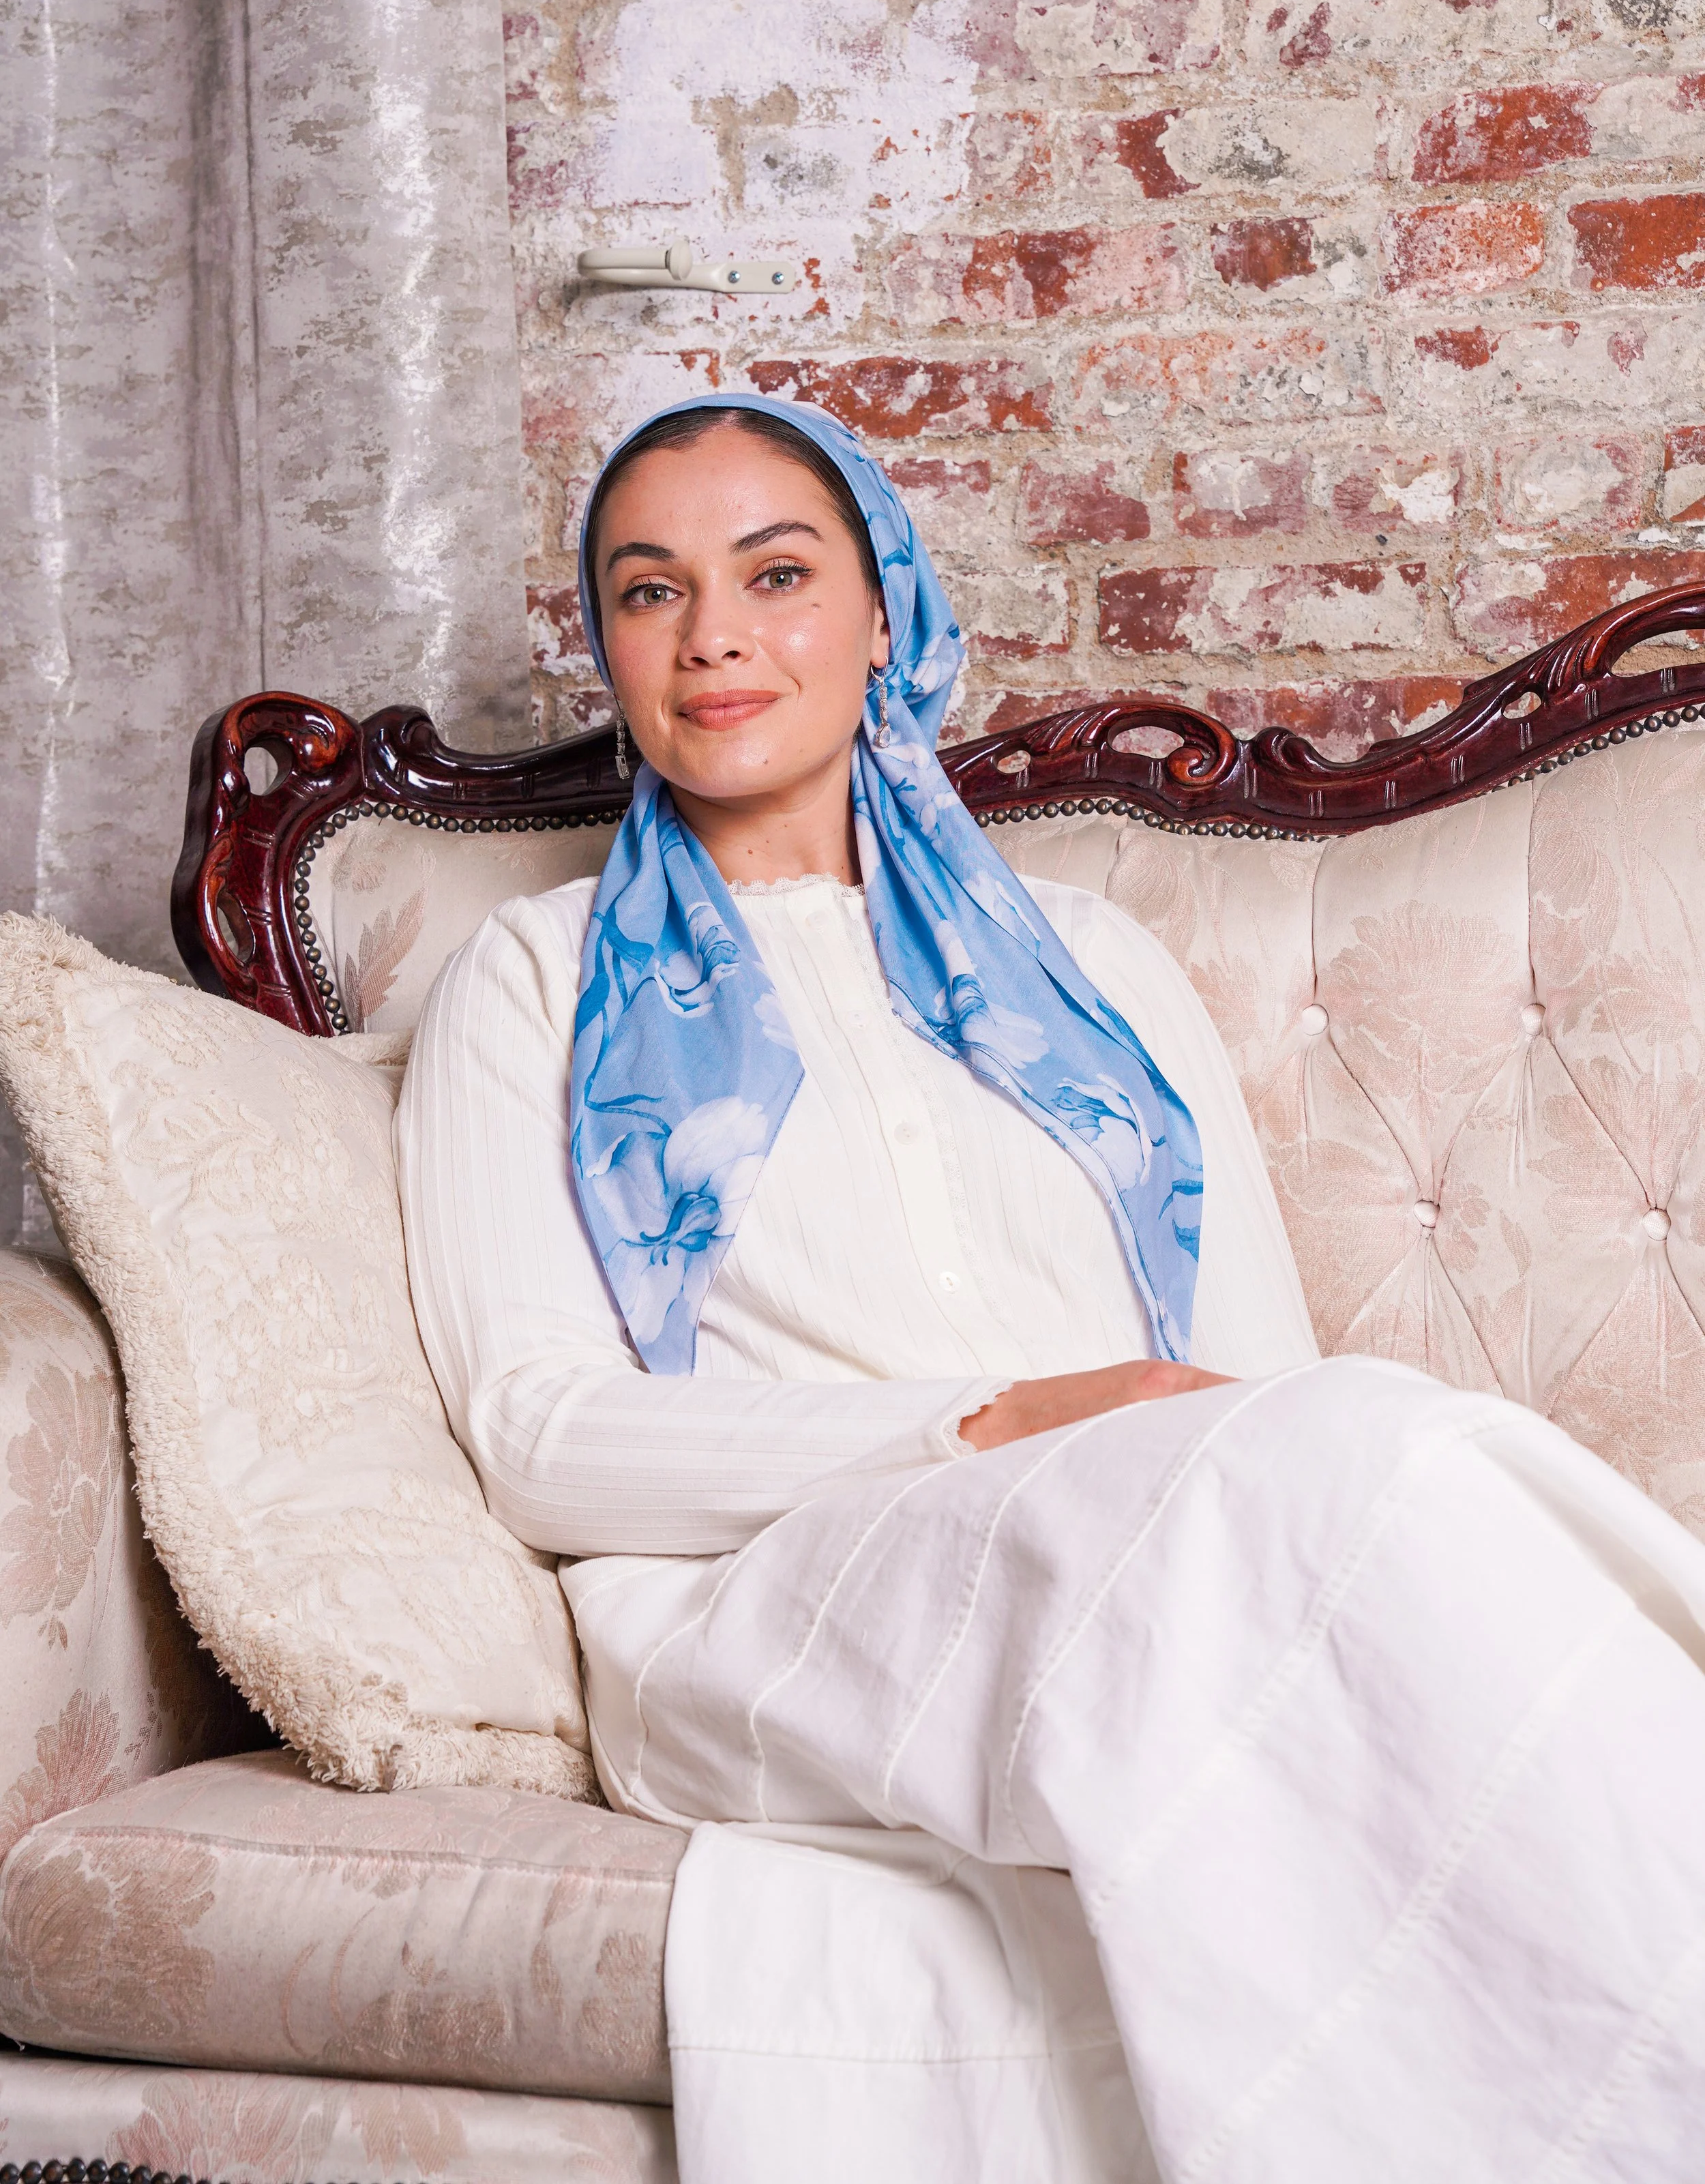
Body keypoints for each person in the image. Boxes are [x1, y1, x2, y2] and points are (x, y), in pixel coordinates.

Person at [399, 394, 1705, 2184]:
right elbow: (539, 1438)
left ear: (884, 615)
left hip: (1138, 1536)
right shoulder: (526, 980)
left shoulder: (1090, 966)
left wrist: (1118, 1446)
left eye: (773, 572)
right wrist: (990, 1422)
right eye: (648, 590)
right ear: (611, 645)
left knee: (1375, 1452)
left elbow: (1256, 1380)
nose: (710, 632)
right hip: (770, 1594)